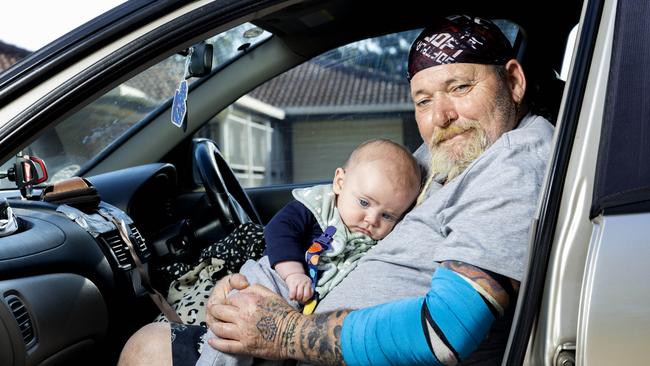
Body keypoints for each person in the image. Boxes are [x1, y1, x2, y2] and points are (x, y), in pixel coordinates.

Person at [118, 14, 554, 366]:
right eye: (423, 100)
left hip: (311, 344)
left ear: (513, 82)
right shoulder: (450, 151)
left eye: (460, 87)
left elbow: (446, 330)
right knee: (150, 343)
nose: (440, 117)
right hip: (306, 324)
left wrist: (283, 333)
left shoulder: (512, 162)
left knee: (148, 350)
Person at [196, 138, 421, 365]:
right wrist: (293, 273)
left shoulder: (374, 243)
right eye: (364, 202)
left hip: (306, 312)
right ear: (340, 183)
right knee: (233, 328)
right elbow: (279, 229)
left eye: (387, 215)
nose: (371, 220)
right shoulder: (320, 207)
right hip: (276, 277)